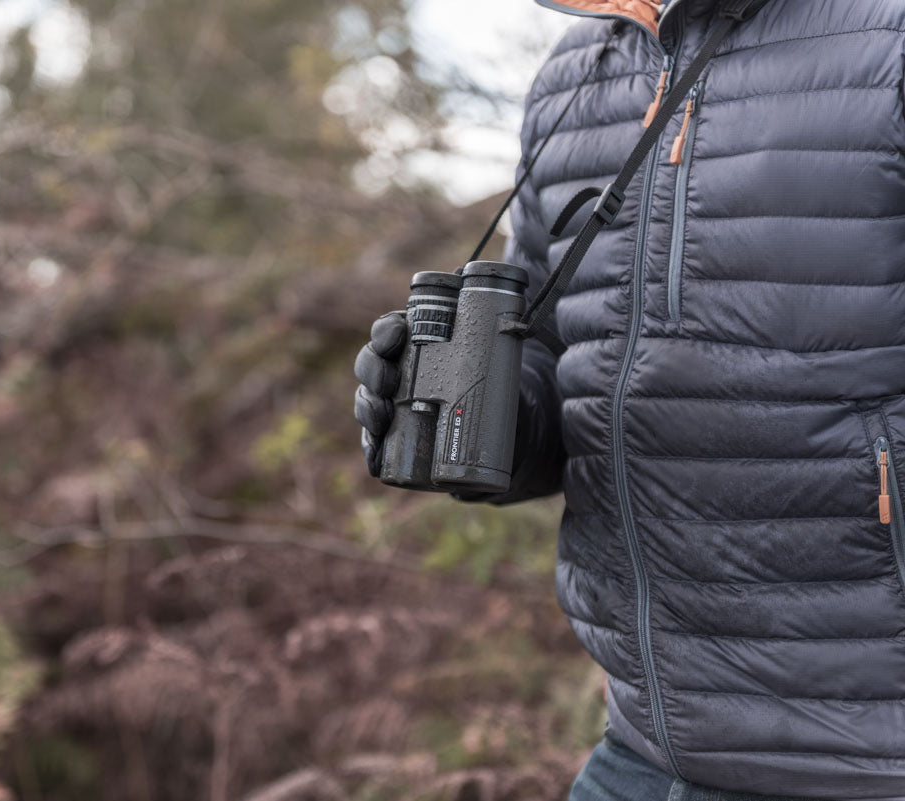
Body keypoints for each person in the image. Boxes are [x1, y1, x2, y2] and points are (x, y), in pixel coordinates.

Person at [353, 1, 905, 799]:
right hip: (647, 742)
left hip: (868, 750)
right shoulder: (576, 75)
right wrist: (471, 421)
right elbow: (550, 349)